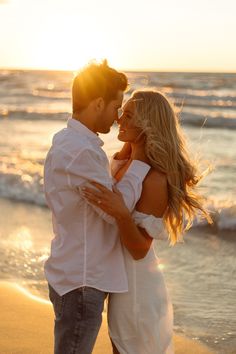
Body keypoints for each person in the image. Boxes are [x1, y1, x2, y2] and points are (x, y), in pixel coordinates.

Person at [82, 89, 212, 354]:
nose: (119, 119)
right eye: (122, 112)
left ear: (147, 125)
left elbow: (140, 249)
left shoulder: (154, 179)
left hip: (137, 286)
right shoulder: (124, 162)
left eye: (128, 115)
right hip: (119, 280)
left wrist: (120, 213)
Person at [43, 61, 152, 354]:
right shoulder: (80, 151)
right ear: (99, 102)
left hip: (77, 272)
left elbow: (109, 197)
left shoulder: (73, 143)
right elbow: (116, 208)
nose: (118, 117)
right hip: (82, 279)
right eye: (116, 106)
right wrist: (140, 160)